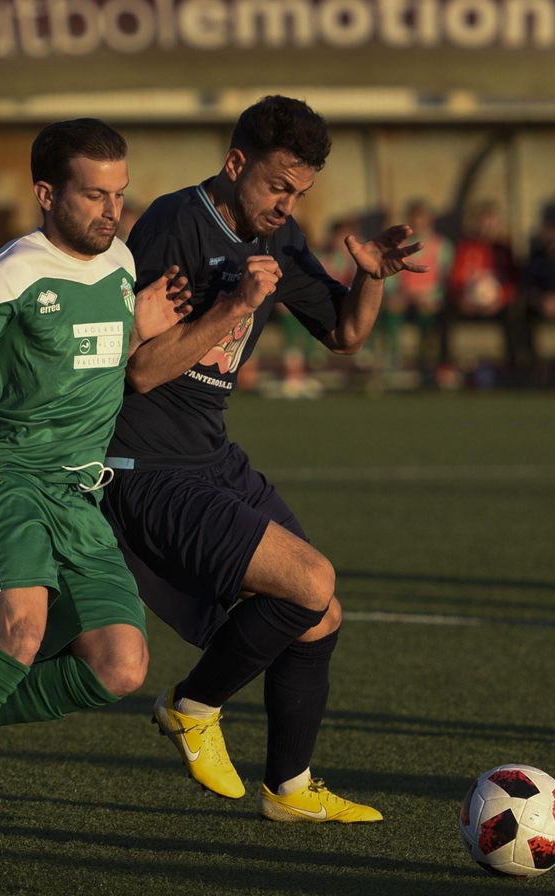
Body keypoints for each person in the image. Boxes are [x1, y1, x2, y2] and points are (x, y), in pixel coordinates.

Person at [99, 96, 422, 823]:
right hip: (144, 467)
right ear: (236, 162)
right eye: (278, 186)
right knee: (311, 580)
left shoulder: (279, 239)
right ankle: (192, 706)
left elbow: (343, 334)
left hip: (208, 455)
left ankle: (290, 788)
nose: (287, 204)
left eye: (300, 192)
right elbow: (141, 371)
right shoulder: (172, 225)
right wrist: (233, 306)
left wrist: (371, 274)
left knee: (320, 614)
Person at [0, 118, 192, 867]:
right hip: (11, 477)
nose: (111, 209)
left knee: (121, 668)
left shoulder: (119, 260)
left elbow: (104, 353)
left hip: (81, 494)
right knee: (18, 635)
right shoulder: (9, 272)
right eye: (94, 195)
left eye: (118, 194)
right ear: (46, 194)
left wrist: (143, 323)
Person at [439, 200, 519, 387]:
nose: (488, 227)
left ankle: (514, 368)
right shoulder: (466, 248)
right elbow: (455, 280)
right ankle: (446, 368)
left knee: (515, 315)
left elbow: (513, 283)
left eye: (493, 223)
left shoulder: (504, 250)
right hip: (468, 304)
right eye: (485, 222)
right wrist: (463, 300)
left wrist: (499, 301)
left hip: (496, 306)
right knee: (445, 313)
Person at [509, 204, 555, 379]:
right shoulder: (537, 256)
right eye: (547, 232)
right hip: (542, 305)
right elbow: (527, 288)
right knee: (518, 315)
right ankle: (529, 366)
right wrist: (543, 300)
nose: (552, 238)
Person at [388, 199, 453, 379]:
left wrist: (433, 296)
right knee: (392, 307)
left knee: (429, 312)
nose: (418, 222)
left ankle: (425, 364)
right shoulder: (398, 246)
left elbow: (446, 281)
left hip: (429, 300)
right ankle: (393, 363)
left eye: (422, 218)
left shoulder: (442, 246)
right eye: (414, 218)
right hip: (406, 299)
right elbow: (390, 280)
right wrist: (397, 294)